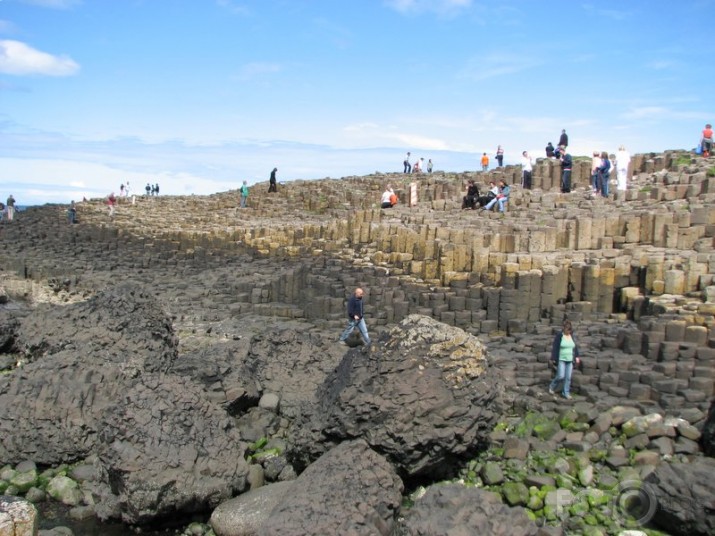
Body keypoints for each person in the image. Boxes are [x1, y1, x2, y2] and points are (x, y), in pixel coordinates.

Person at [548, 320, 581, 400]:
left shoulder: (571, 336)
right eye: (567, 330)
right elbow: (555, 347)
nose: (568, 331)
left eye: (570, 330)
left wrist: (577, 356)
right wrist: (554, 358)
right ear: (564, 329)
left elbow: (574, 347)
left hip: (570, 360)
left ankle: (566, 393)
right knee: (560, 376)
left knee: (568, 377)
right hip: (561, 359)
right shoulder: (560, 335)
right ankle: (552, 386)